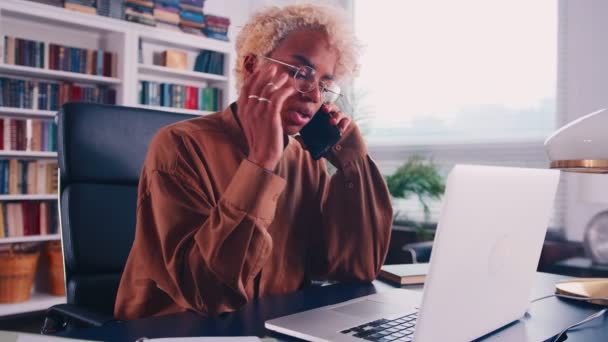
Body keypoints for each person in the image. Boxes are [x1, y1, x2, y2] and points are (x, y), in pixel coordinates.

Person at [115, 3, 393, 320]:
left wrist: (354, 164)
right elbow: (206, 292)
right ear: (252, 67)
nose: (314, 94)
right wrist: (261, 162)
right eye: (301, 73)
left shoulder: (304, 159)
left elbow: (357, 269)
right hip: (178, 330)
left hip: (272, 326)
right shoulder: (180, 146)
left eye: (325, 84)